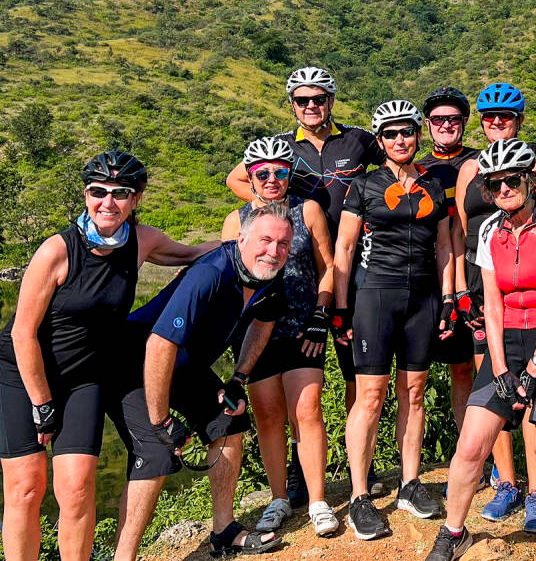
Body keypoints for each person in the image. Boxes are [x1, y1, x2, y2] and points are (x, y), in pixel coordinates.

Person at [0, 151, 218, 561]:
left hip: (84, 376)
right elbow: (22, 333)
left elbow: (188, 253)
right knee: (26, 486)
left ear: (137, 198)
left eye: (121, 193)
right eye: (98, 192)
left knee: (78, 487)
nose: (108, 202)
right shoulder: (57, 251)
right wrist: (42, 404)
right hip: (23, 374)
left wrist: (248, 241)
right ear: (85, 195)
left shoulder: (142, 240)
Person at [225, 66, 385, 504]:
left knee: (356, 373)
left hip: (347, 268)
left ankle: (361, 472)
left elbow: (391, 163)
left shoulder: (356, 139)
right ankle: (298, 478)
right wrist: (272, 209)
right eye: (302, 100)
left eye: (318, 99)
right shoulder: (281, 148)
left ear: (330, 101)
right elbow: (235, 179)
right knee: (297, 400)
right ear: (292, 104)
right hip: (296, 262)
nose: (311, 106)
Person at [426, 138, 536, 561]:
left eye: (511, 181)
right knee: (470, 445)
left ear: (530, 181)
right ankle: (454, 531)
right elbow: (493, 304)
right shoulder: (487, 229)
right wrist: (499, 367)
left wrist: (534, 369)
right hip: (510, 336)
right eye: (494, 185)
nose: (503, 190)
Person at [109, 202, 294, 560]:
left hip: (181, 364)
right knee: (156, 451)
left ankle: (223, 531)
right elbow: (159, 345)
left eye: (283, 244)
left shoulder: (270, 276)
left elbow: (264, 321)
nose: (273, 251)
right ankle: (124, 557)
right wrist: (161, 419)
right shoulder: (211, 272)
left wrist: (239, 376)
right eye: (265, 240)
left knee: (230, 419)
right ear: (242, 238)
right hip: (133, 362)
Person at [334, 100, 454, 540]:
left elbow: (443, 246)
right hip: (376, 296)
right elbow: (345, 250)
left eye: (407, 132)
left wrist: (448, 298)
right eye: (391, 134)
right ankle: (360, 496)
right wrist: (340, 307)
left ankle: (409, 484)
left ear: (417, 136)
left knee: (415, 392)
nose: (400, 140)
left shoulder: (434, 186)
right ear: (380, 141)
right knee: (371, 395)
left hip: (423, 297)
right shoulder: (363, 186)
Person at [453, 82, 536, 530]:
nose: (497, 123)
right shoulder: (470, 167)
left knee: (529, 396)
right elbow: (458, 235)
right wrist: (458, 289)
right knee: (494, 388)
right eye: (490, 117)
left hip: (530, 294)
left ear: (519, 119)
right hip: (482, 291)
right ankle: (506, 485)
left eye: (506, 116)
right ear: (481, 121)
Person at [221, 137, 338, 536]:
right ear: (250, 176)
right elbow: (228, 279)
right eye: (263, 172)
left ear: (291, 174)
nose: (272, 179)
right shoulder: (237, 220)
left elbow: (328, 265)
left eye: (281, 172)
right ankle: (279, 499)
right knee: (268, 417)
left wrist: (322, 314)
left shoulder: (308, 210)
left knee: (306, 411)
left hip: (304, 328)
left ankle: (319, 500)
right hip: (256, 335)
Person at [419, 87, 479, 435]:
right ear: (428, 124)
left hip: (471, 272)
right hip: (428, 277)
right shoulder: (416, 167)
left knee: (464, 368)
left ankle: (474, 451)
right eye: (438, 119)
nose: (445, 125)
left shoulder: (480, 161)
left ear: (464, 122)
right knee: (417, 375)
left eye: (453, 119)